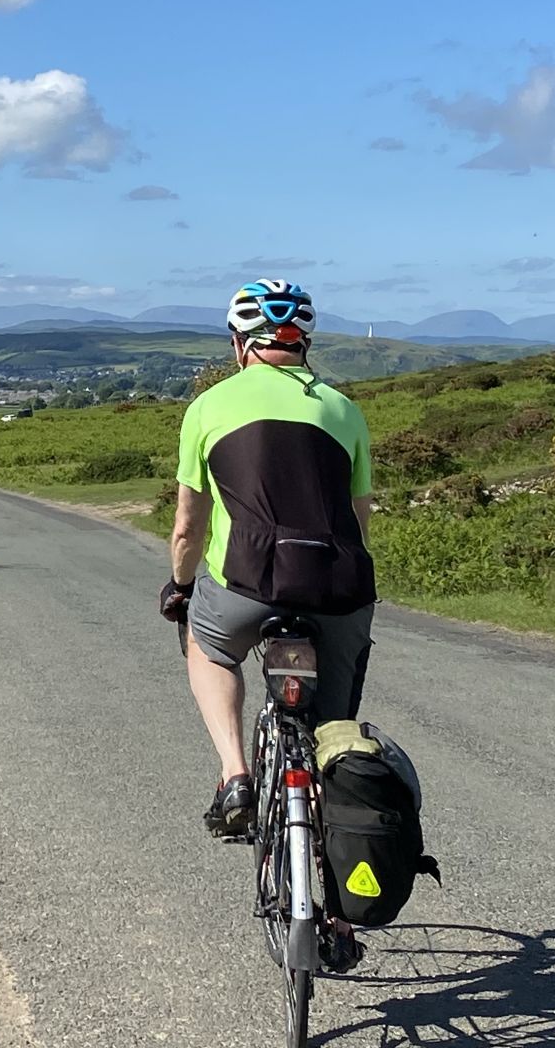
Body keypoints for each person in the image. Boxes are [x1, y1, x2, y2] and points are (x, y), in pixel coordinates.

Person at [158, 278, 377, 965]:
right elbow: (361, 520)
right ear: (304, 343)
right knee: (336, 743)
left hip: (247, 584)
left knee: (207, 644)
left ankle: (234, 775)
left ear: (237, 344)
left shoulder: (209, 406)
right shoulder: (344, 409)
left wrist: (181, 587)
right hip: (339, 587)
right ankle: (338, 918)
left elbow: (189, 527)